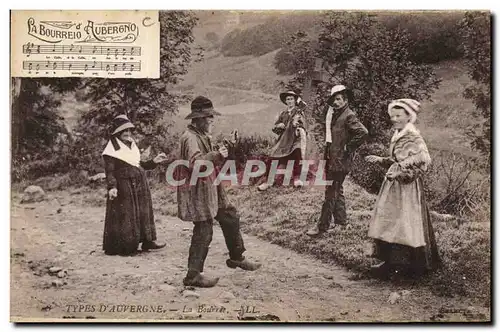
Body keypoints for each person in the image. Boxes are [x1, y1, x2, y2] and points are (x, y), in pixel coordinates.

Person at [177, 96, 261, 288]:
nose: (211, 120)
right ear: (197, 119)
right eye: (208, 117)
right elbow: (195, 164)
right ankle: (193, 275)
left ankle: (237, 257)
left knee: (230, 215)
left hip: (212, 186)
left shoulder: (200, 135)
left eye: (211, 116)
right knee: (204, 229)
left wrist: (225, 147)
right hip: (198, 191)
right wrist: (216, 155)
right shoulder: (190, 138)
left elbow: (210, 159)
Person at [365, 99, 441, 278]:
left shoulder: (413, 137)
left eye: (399, 116)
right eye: (393, 116)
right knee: (390, 221)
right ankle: (390, 263)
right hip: (393, 187)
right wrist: (381, 160)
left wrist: (399, 175)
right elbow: (398, 160)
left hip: (407, 190)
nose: (395, 119)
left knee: (406, 224)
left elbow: (419, 167)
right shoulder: (399, 134)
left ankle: (412, 267)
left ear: (409, 116)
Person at [306, 85, 368, 236]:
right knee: (337, 190)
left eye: (339, 99)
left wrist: (348, 147)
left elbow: (363, 132)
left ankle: (321, 228)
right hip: (333, 158)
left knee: (330, 193)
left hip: (340, 161)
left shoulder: (348, 115)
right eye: (334, 99)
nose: (336, 102)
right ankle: (341, 223)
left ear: (345, 100)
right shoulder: (335, 115)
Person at [102, 114, 168, 256]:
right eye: (123, 131)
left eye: (129, 131)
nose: (127, 133)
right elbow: (110, 171)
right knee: (127, 214)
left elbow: (139, 164)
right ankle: (127, 246)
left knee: (144, 211)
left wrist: (154, 161)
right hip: (124, 186)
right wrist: (112, 187)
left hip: (139, 183)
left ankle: (148, 241)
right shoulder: (111, 150)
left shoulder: (132, 145)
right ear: (117, 133)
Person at [257, 90, 308, 191]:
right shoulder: (283, 114)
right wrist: (279, 126)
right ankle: (268, 182)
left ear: (294, 101)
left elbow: (303, 125)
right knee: (273, 157)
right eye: (287, 99)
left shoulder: (299, 112)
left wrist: (296, 124)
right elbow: (276, 129)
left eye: (291, 99)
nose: (289, 101)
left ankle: (297, 179)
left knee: (297, 154)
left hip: (294, 139)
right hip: (283, 140)